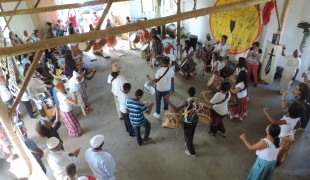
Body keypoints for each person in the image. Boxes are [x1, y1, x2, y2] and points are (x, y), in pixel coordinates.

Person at [263, 101, 304, 166]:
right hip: (290, 136)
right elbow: (298, 125)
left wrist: (266, 112)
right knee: (283, 151)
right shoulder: (297, 117)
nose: (287, 107)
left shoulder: (288, 120)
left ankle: (275, 162)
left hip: (284, 138)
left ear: (289, 112)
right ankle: (278, 161)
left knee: (279, 151)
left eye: (289, 107)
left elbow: (274, 121)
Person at [165, 87, 199, 157]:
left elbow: (176, 110)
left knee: (187, 136)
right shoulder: (197, 100)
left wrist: (168, 100)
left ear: (188, 93)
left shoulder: (186, 101)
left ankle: (192, 152)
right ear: (195, 93)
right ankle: (189, 143)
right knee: (191, 132)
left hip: (188, 122)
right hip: (195, 120)